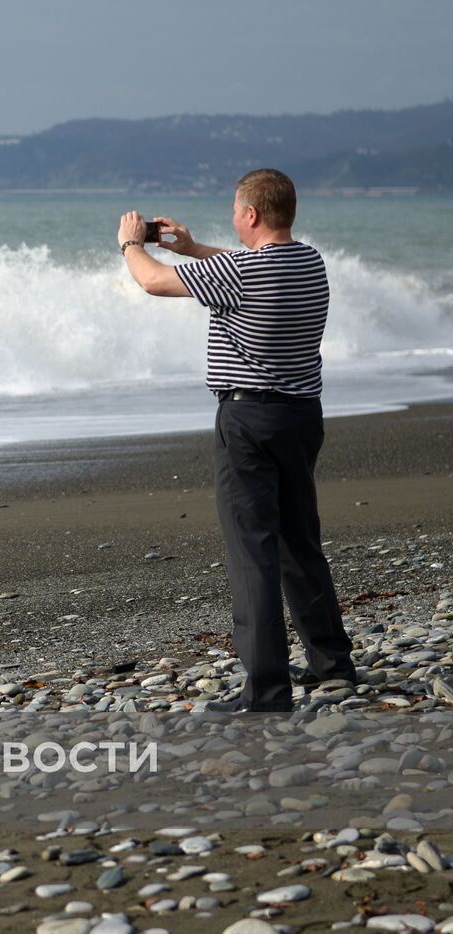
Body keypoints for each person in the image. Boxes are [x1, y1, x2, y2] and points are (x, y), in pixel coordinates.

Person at [116, 168, 357, 713]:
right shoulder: (308, 261)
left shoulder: (243, 271)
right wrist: (195, 246)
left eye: (234, 209)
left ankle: (267, 689)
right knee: (299, 541)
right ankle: (332, 663)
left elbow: (152, 281)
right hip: (302, 416)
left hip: (249, 421)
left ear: (250, 214)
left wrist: (133, 243)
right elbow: (242, 267)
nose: (232, 217)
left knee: (253, 551)